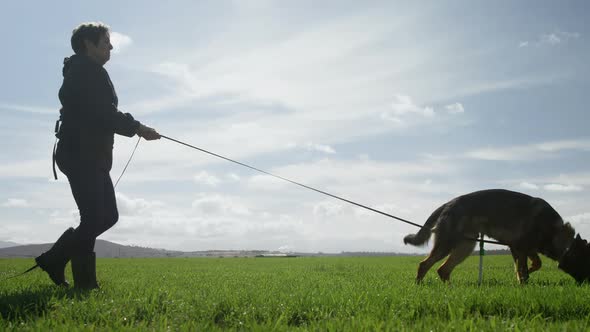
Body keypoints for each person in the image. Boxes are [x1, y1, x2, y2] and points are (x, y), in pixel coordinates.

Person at [34, 22, 160, 289]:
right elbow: (102, 112)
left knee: (104, 216)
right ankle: (63, 266)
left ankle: (70, 272)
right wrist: (137, 128)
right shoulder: (85, 71)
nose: (111, 46)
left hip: (89, 155)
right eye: (105, 41)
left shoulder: (87, 71)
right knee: (96, 217)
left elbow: (100, 112)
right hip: (81, 154)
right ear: (88, 45)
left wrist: (135, 127)